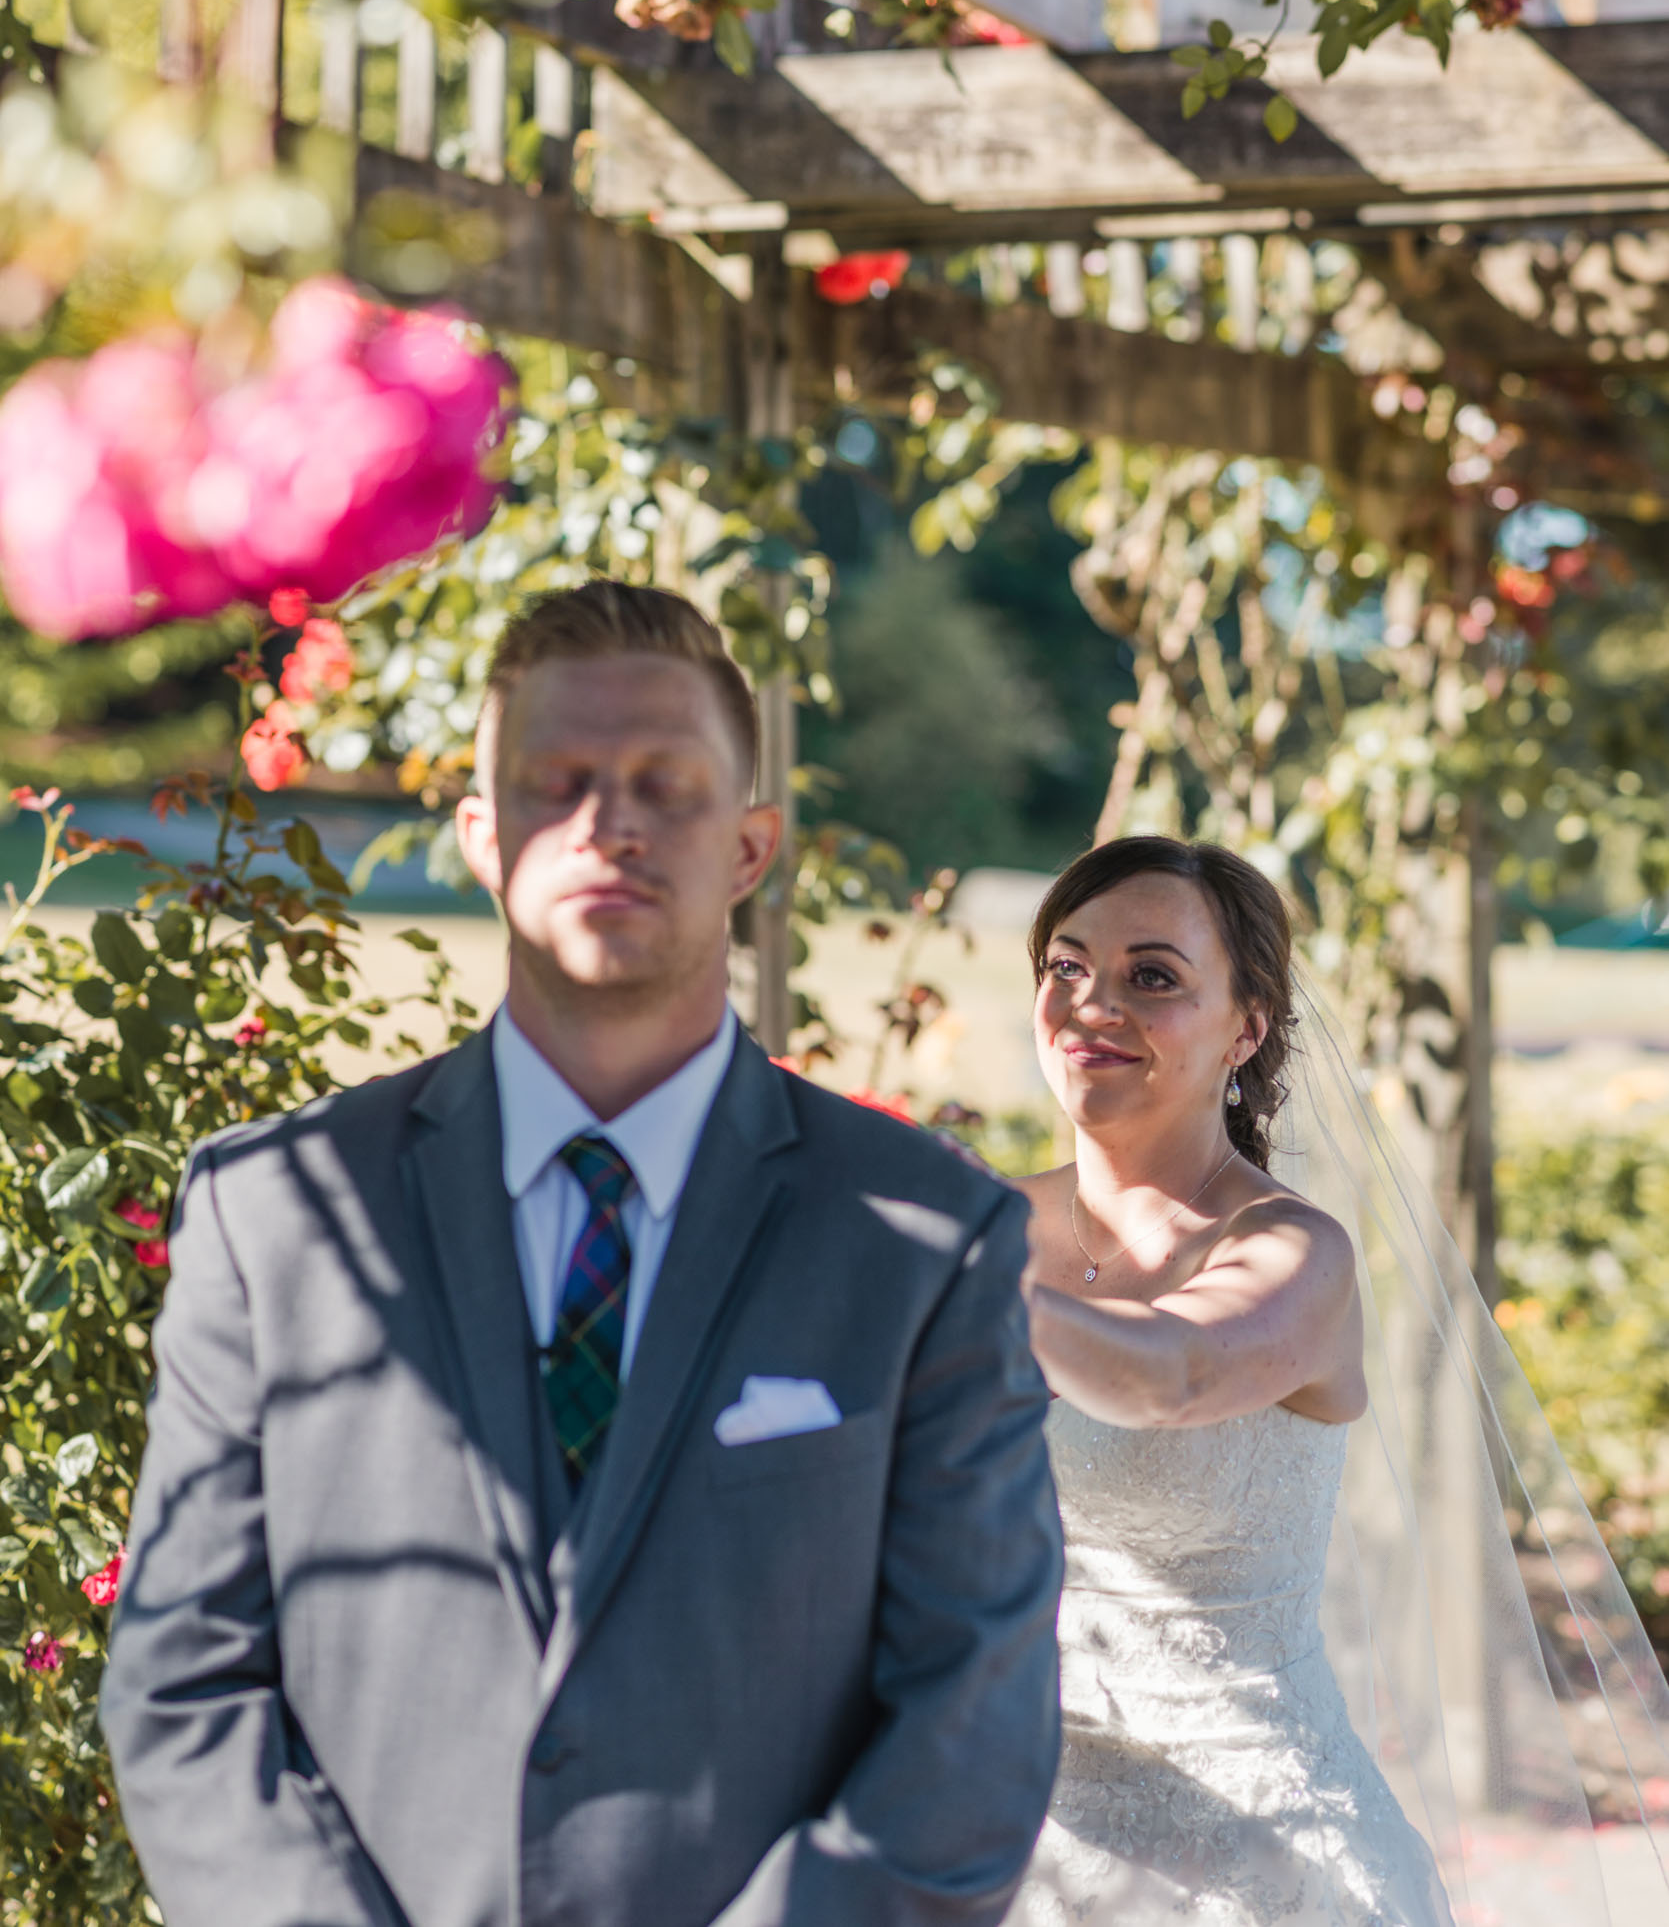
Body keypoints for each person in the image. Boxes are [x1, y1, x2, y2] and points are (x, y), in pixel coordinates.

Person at [101, 580, 1064, 1927]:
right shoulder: (272, 1215)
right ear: (483, 840)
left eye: (666, 785)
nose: (609, 822)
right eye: (558, 782)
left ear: (748, 845)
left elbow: (976, 1720)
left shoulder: (927, 1244)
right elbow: (182, 1682)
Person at [1012, 835, 1454, 1927]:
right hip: (1012, 1841)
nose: (1090, 1004)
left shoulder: (1292, 1253)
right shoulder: (980, 1217)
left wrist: (947, 1275)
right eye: (1065, 967)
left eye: (1150, 976)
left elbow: (1169, 1373)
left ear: (1245, 1027)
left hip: (1256, 1867)